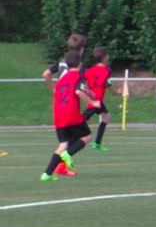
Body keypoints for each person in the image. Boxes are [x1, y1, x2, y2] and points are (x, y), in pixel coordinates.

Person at [41, 51, 96, 181]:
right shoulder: (77, 75)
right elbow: (78, 91)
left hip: (58, 115)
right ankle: (68, 154)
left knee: (63, 144)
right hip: (71, 114)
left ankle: (47, 174)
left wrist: (88, 92)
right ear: (80, 64)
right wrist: (92, 102)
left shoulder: (61, 80)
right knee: (87, 136)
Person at [43, 33, 87, 175]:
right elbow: (80, 87)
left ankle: (59, 167)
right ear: (81, 49)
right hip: (71, 104)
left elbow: (46, 74)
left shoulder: (62, 62)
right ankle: (62, 162)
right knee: (81, 136)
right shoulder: (79, 64)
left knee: (67, 140)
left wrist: (55, 89)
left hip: (60, 103)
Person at [83, 47, 113, 152]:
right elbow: (107, 85)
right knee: (81, 120)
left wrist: (86, 90)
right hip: (96, 101)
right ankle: (71, 136)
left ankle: (97, 143)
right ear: (104, 58)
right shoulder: (106, 71)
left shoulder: (89, 70)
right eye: (107, 56)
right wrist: (118, 92)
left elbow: (82, 80)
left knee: (106, 117)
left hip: (96, 100)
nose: (108, 58)